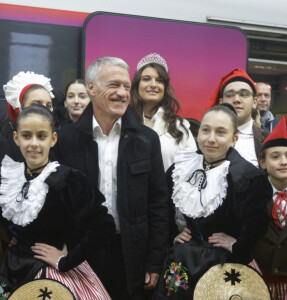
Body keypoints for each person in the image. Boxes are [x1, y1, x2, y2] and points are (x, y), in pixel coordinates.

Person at [54, 57, 169, 299]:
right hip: (80, 255)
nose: (122, 93)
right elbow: (56, 201)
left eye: (127, 87)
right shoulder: (65, 139)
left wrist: (154, 262)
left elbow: (158, 204)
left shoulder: (147, 140)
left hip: (131, 256)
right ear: (92, 88)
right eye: (113, 85)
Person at [155, 103, 272, 299]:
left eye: (220, 132)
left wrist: (237, 245)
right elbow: (162, 209)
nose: (210, 139)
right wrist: (174, 236)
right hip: (183, 260)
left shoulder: (248, 177)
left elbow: (258, 224)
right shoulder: (181, 168)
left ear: (234, 138)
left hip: (225, 263)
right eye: (206, 130)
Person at [0, 105, 115, 298]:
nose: (34, 143)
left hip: (55, 275)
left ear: (53, 139)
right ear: (16, 138)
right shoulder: (9, 177)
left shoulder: (68, 180)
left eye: (41, 136)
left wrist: (66, 260)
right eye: (27, 136)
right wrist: (11, 235)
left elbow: (105, 226)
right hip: (13, 269)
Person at [254, 115, 287, 300]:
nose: (283, 161)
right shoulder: (251, 194)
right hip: (257, 278)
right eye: (275, 156)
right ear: (263, 162)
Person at [131, 53, 196, 171]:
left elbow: (191, 170)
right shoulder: (124, 121)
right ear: (137, 85)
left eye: (159, 80)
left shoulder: (179, 126)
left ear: (165, 88)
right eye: (146, 79)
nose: (153, 85)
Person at [206, 68, 269, 168]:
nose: (236, 100)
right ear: (221, 102)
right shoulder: (205, 138)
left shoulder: (267, 140)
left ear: (255, 102)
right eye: (230, 95)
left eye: (244, 95)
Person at [0, 71, 54, 162]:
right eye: (36, 104)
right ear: (20, 107)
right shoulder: (4, 145)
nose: (44, 110)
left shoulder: (60, 140)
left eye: (48, 106)